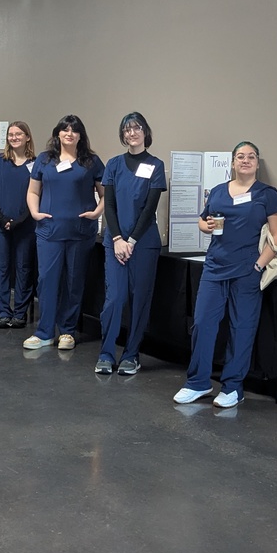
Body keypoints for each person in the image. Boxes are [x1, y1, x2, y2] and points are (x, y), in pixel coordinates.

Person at [174, 141, 277, 409]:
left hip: (247, 270)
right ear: (232, 163)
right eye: (240, 157)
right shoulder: (219, 192)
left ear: (258, 163)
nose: (245, 161)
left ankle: (233, 387)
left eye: (251, 157)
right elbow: (203, 220)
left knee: (241, 328)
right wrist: (207, 225)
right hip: (214, 267)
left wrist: (258, 266)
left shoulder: (267, 194)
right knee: (202, 323)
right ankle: (198, 382)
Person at [23, 115, 105, 351]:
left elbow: (105, 194)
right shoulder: (44, 160)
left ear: (81, 135)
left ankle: (67, 331)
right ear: (57, 133)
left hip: (80, 232)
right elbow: (32, 192)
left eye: (74, 130)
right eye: (65, 129)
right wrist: (35, 213)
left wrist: (96, 213)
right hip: (49, 231)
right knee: (46, 280)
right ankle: (44, 332)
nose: (69, 133)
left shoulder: (91, 161)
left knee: (73, 281)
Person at [95, 112, 167, 376]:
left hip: (144, 244)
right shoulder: (113, 164)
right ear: (122, 134)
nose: (132, 133)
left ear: (145, 131)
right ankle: (105, 353)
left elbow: (150, 208)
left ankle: (131, 355)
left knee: (139, 300)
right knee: (114, 298)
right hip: (114, 243)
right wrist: (117, 239)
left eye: (137, 128)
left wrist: (132, 239)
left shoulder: (155, 165)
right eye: (127, 129)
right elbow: (109, 205)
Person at [0, 121, 37, 330]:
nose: (14, 137)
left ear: (27, 137)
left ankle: (20, 313)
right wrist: (1, 219)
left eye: (18, 134)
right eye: (11, 134)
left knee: (24, 268)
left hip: (25, 224)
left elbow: (37, 193)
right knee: (1, 268)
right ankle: (4, 312)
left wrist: (20, 220)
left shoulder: (36, 163)